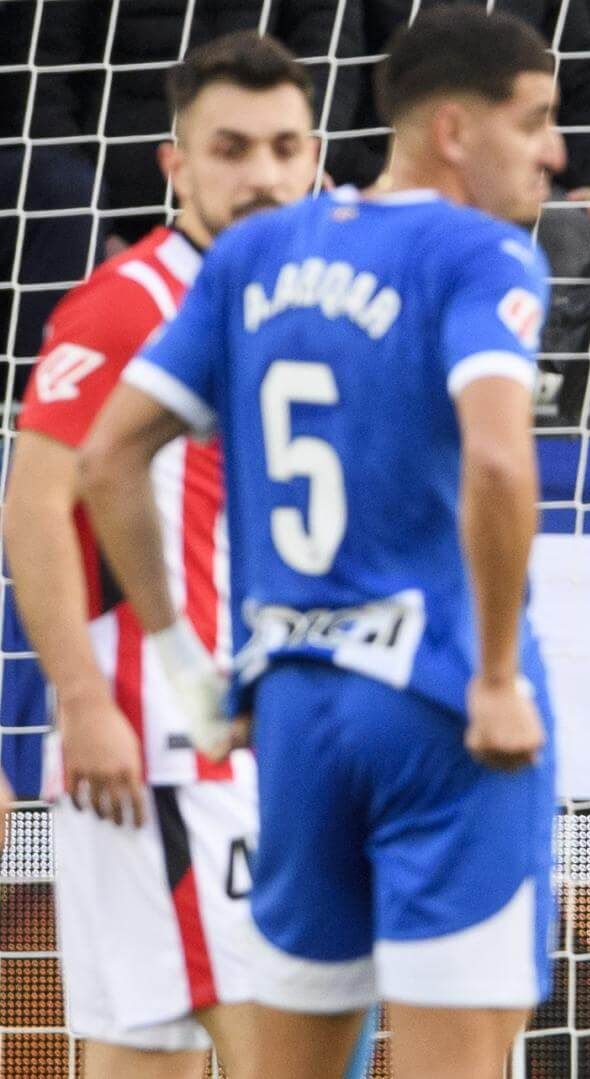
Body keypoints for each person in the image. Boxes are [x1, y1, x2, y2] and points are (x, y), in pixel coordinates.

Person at [74, 9, 563, 1077]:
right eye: (534, 120)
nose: (554, 151)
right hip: (439, 713)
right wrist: (492, 675)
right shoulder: (483, 253)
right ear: (450, 128)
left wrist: (186, 670)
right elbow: (496, 460)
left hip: (292, 718)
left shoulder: (253, 253)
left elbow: (106, 457)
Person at [2, 32, 323, 1077]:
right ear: (175, 163)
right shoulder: (125, 303)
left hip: (262, 740)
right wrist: (85, 699)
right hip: (170, 746)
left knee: (150, 1059)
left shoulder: (311, 301)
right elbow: (35, 505)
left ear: (316, 155)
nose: (263, 175)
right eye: (230, 148)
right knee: (280, 1044)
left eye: (284, 146)